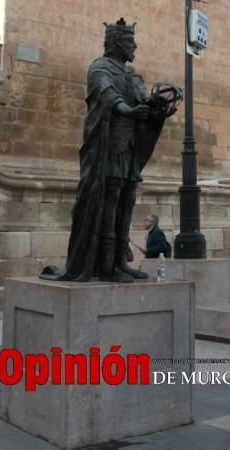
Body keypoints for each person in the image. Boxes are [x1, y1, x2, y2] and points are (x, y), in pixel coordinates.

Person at [41, 19, 179, 283]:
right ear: (116, 42)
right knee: (110, 199)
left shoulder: (132, 74)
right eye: (130, 42)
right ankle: (106, 266)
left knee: (127, 199)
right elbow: (106, 95)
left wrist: (161, 106)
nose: (135, 46)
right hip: (108, 148)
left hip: (130, 147)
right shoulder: (99, 68)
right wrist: (127, 110)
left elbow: (143, 100)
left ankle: (120, 262)